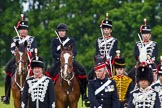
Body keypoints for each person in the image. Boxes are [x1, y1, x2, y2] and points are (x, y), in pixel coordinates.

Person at [45, 23, 88, 102]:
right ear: (58, 32)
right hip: (59, 61)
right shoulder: (55, 41)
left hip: (70, 61)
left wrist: (69, 56)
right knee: (48, 73)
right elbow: (53, 53)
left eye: (63, 31)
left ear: (66, 32)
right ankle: (48, 95)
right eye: (60, 31)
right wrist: (61, 57)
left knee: (82, 71)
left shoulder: (71, 40)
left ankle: (84, 93)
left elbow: (74, 51)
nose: (61, 32)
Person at [1, 14, 37, 104]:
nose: (23, 31)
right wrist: (18, 52)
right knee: (8, 70)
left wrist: (27, 51)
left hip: (29, 58)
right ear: (19, 30)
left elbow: (33, 49)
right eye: (21, 30)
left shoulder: (31, 39)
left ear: (27, 31)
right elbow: (12, 49)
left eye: (25, 30)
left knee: (38, 69)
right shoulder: (15, 39)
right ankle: (7, 96)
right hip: (17, 58)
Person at [95, 13, 118, 77]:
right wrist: (99, 58)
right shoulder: (98, 40)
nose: (106, 30)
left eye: (108, 29)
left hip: (110, 61)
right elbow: (97, 52)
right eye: (105, 29)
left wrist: (108, 58)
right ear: (102, 30)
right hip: (100, 61)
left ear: (111, 30)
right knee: (91, 74)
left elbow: (113, 51)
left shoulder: (114, 40)